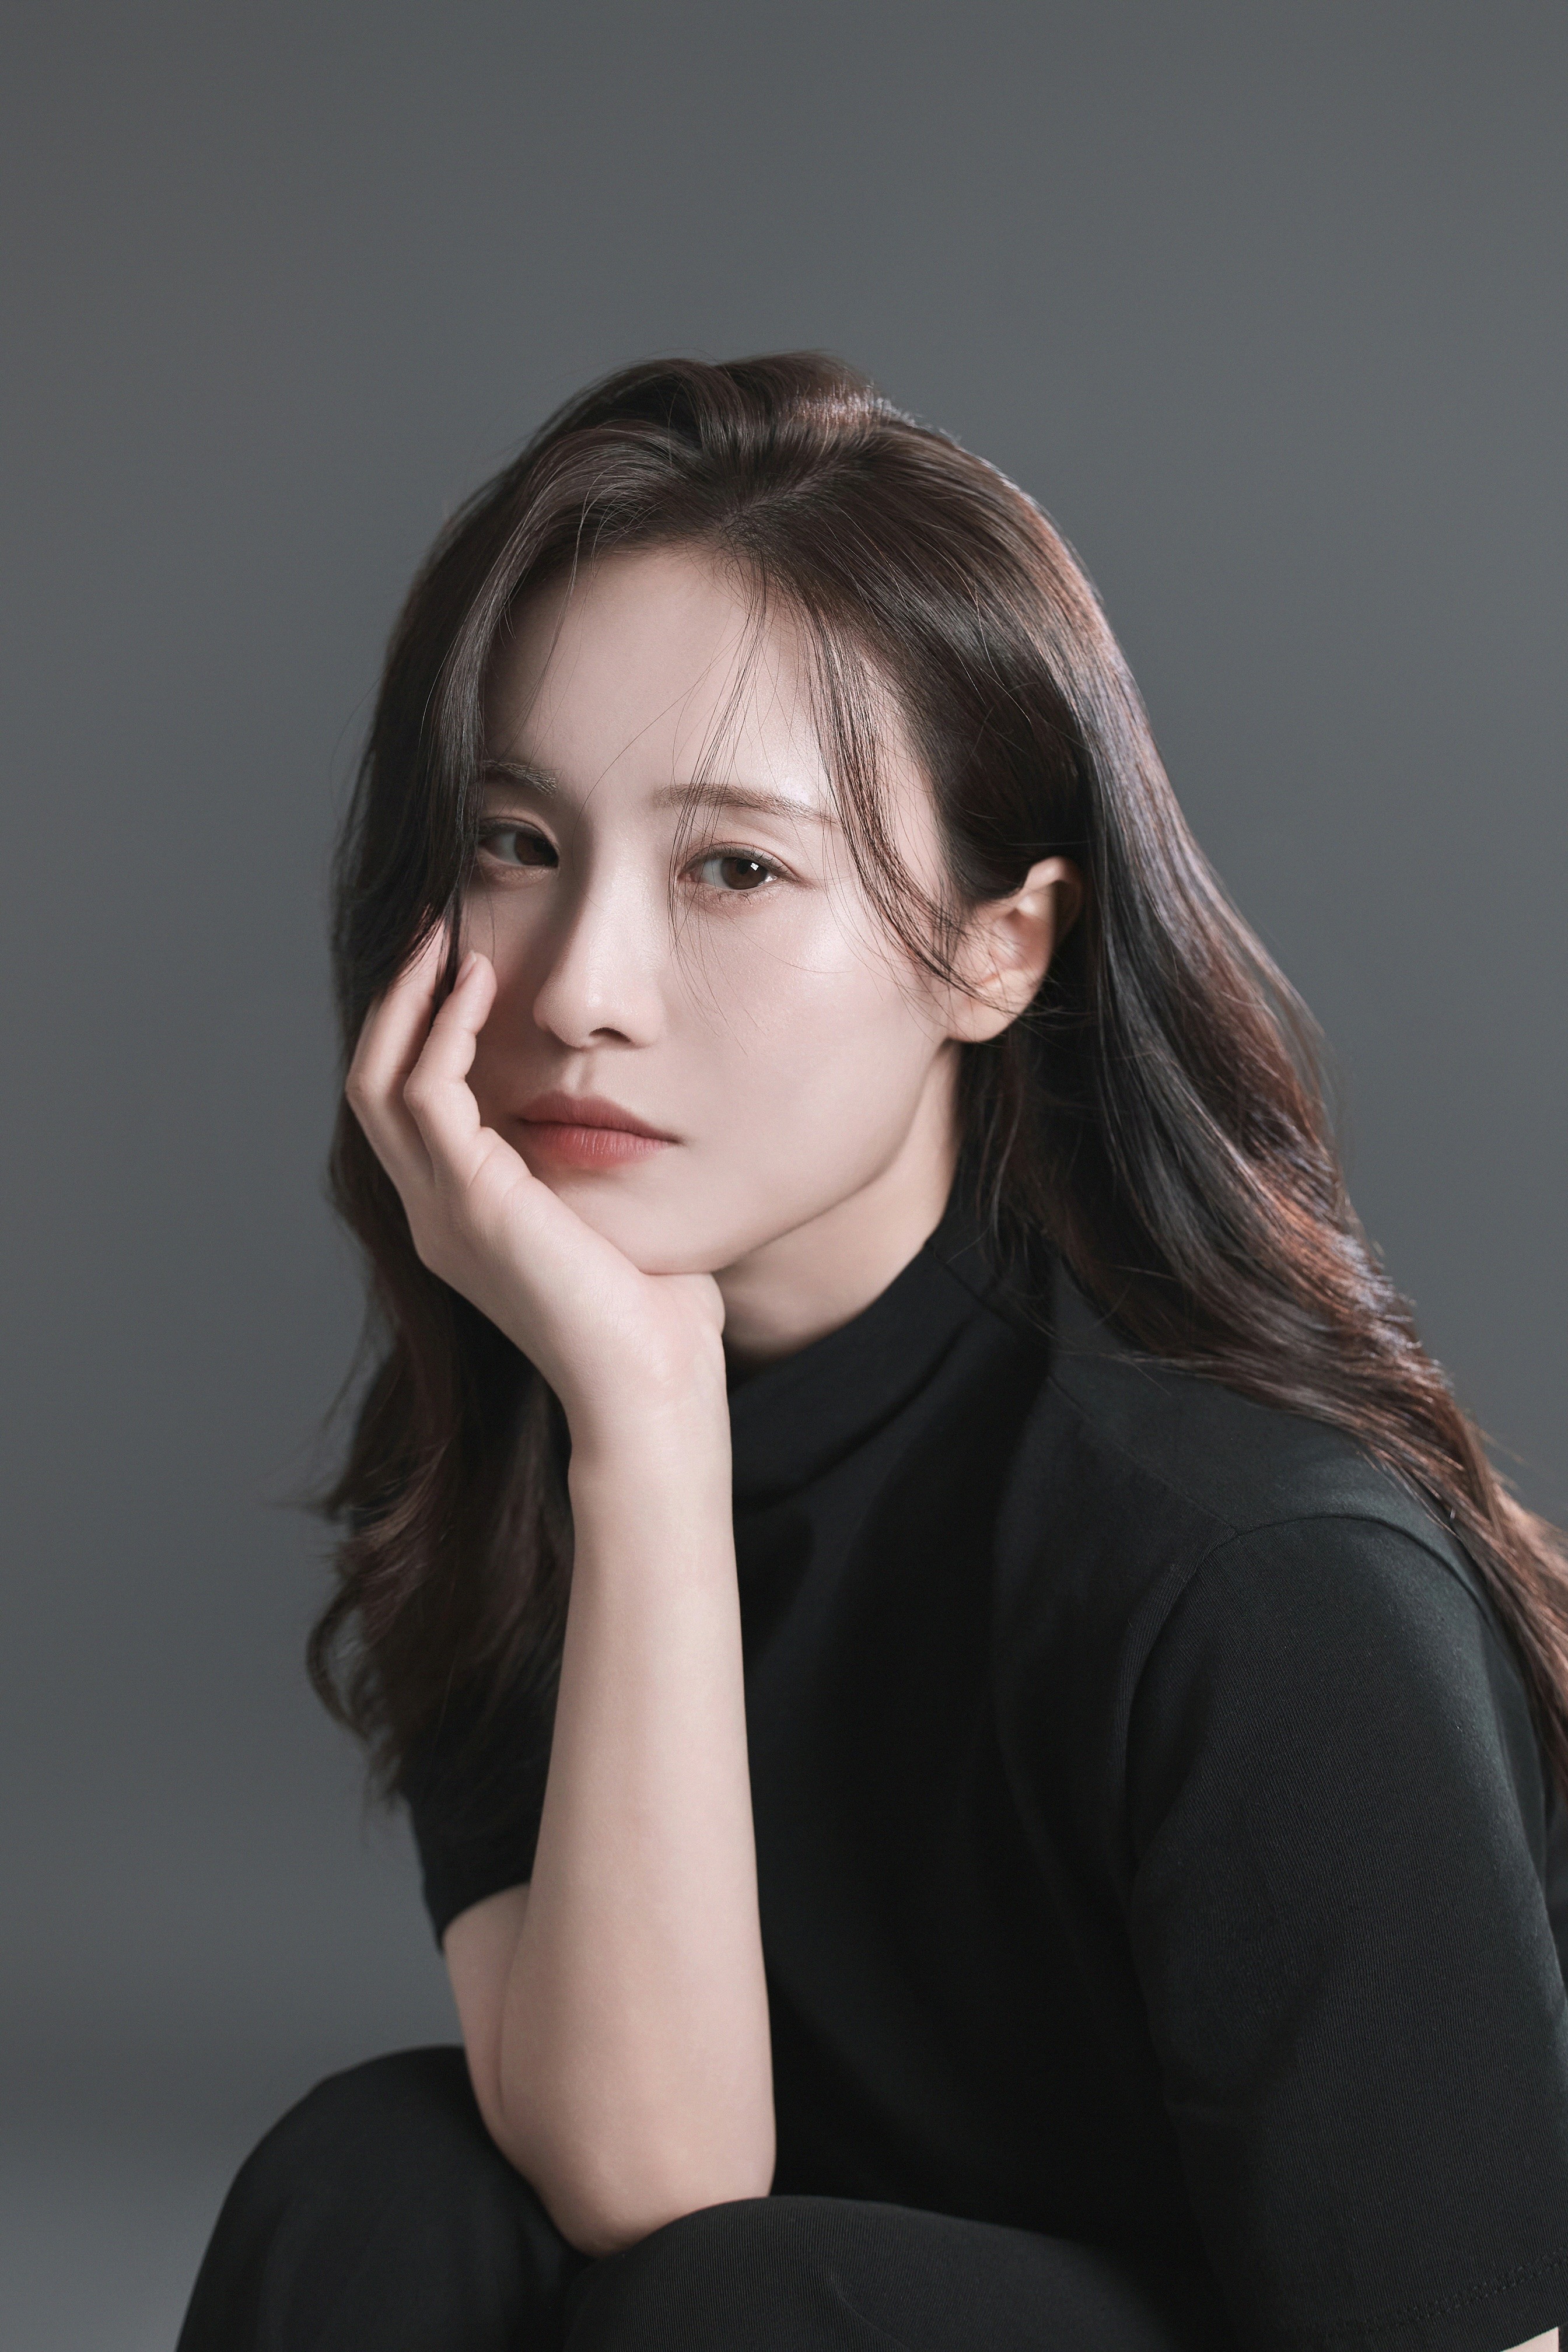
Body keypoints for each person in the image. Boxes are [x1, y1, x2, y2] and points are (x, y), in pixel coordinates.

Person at [176, 354, 1568, 2352]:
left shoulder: (1253, 1568)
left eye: (734, 868)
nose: (581, 990)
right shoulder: (547, 1428)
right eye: (516, 843)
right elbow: (648, 2174)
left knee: (754, 2311)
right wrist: (644, 1430)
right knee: (373, 2192)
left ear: (1000, 949)